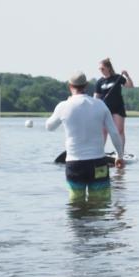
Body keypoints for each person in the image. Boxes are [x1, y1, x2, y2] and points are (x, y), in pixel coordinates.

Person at [48, 71, 125, 200]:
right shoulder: (100, 105)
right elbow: (114, 133)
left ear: (69, 86)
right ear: (86, 85)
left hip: (74, 165)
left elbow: (49, 127)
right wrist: (120, 156)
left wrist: (60, 110)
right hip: (98, 163)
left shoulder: (63, 106)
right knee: (101, 203)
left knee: (76, 204)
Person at [94, 58, 134, 150]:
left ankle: (120, 152)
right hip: (104, 109)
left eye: (102, 68)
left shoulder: (117, 78)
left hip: (117, 108)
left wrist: (127, 76)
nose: (101, 70)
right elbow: (96, 97)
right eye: (99, 69)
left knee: (119, 131)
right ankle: (100, 152)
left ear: (108, 68)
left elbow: (130, 86)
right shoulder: (99, 82)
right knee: (103, 131)